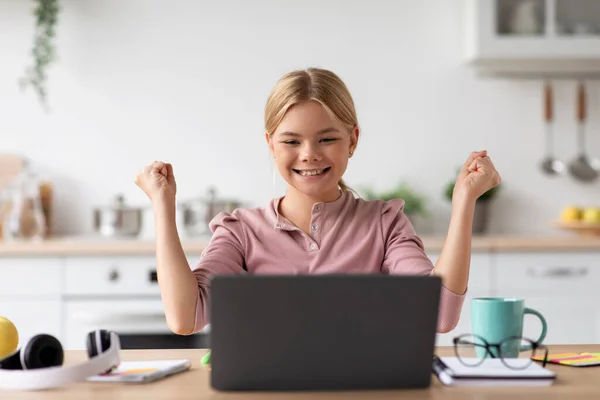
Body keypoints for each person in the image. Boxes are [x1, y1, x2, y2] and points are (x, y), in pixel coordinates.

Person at [134, 67, 501, 337]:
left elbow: (438, 316)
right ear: (270, 145)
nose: (309, 154)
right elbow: (186, 318)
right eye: (291, 142)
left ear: (352, 140)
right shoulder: (242, 231)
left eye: (326, 139)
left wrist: (464, 201)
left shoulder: (384, 223)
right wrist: (163, 206)